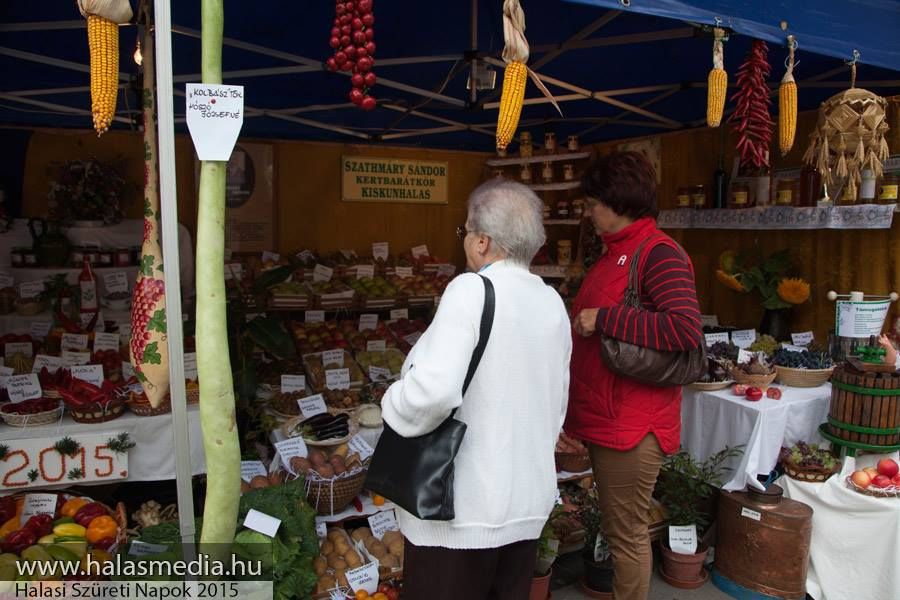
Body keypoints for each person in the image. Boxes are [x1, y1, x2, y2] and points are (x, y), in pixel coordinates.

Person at [380, 179, 572, 600]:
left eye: (465, 231)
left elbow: (430, 395)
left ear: (483, 241)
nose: (465, 240)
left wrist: (391, 403)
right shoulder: (552, 302)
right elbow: (557, 406)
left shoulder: (470, 291)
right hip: (525, 505)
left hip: (460, 511)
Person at [566, 151, 703, 600]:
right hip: (609, 416)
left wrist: (605, 319)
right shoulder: (614, 254)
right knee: (619, 528)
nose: (588, 211)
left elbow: (684, 329)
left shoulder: (659, 253)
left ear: (617, 199)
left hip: (633, 424)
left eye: (593, 202)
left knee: (626, 536)